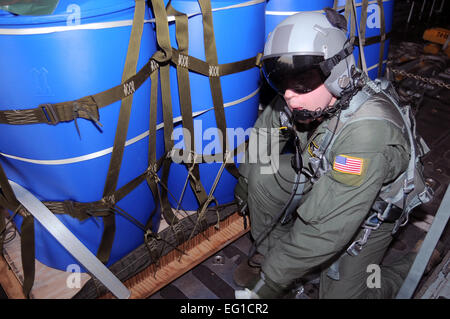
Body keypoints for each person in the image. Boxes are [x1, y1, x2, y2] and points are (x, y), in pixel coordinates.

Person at [233, 8, 432, 299]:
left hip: (371, 208)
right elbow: (264, 140)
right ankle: (274, 256)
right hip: (323, 174)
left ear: (337, 73)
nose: (288, 94)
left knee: (340, 295)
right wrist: (245, 185)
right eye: (281, 79)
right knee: (262, 178)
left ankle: (417, 262)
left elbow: (325, 229)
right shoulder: (302, 97)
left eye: (301, 79)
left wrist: (267, 286)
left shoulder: (367, 133)